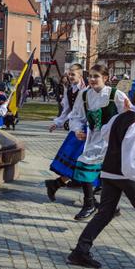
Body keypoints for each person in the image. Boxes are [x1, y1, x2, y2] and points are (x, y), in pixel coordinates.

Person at [67, 85, 135, 269]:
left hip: (109, 172)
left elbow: (105, 134)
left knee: (105, 213)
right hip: (127, 175)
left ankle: (80, 250)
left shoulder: (119, 117)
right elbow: (130, 155)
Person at [69, 64, 130, 220]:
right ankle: (90, 204)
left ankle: (109, 205)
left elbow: (130, 116)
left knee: (108, 174)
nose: (92, 79)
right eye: (90, 76)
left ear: (105, 78)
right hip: (94, 139)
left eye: (96, 76)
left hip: (113, 141)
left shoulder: (116, 95)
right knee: (84, 166)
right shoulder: (84, 95)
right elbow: (76, 116)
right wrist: (77, 130)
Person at [46, 64, 86, 201]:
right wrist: (57, 123)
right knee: (79, 162)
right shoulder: (70, 91)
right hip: (78, 130)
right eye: (69, 74)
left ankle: (57, 184)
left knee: (83, 163)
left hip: (89, 129)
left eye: (73, 74)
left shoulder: (87, 89)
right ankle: (92, 202)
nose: (70, 76)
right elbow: (67, 110)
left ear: (80, 75)